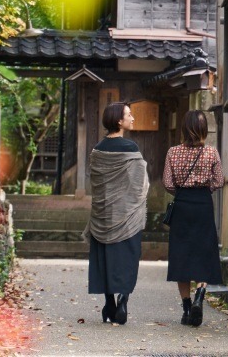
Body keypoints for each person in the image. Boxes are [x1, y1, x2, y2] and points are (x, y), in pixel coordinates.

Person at [85, 102, 149, 325]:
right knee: (127, 257)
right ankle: (123, 299)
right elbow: (140, 183)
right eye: (129, 115)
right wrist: (134, 203)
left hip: (103, 214)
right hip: (127, 215)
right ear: (119, 121)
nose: (132, 118)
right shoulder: (130, 148)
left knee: (105, 258)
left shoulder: (97, 150)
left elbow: (95, 183)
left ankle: (109, 303)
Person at [162, 110, 224, 327]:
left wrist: (182, 191)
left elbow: (167, 183)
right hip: (203, 205)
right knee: (203, 253)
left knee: (182, 255)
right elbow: (219, 181)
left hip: (182, 205)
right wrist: (204, 189)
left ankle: (187, 308)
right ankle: (199, 295)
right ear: (203, 129)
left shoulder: (173, 152)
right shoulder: (211, 152)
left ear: (184, 129)